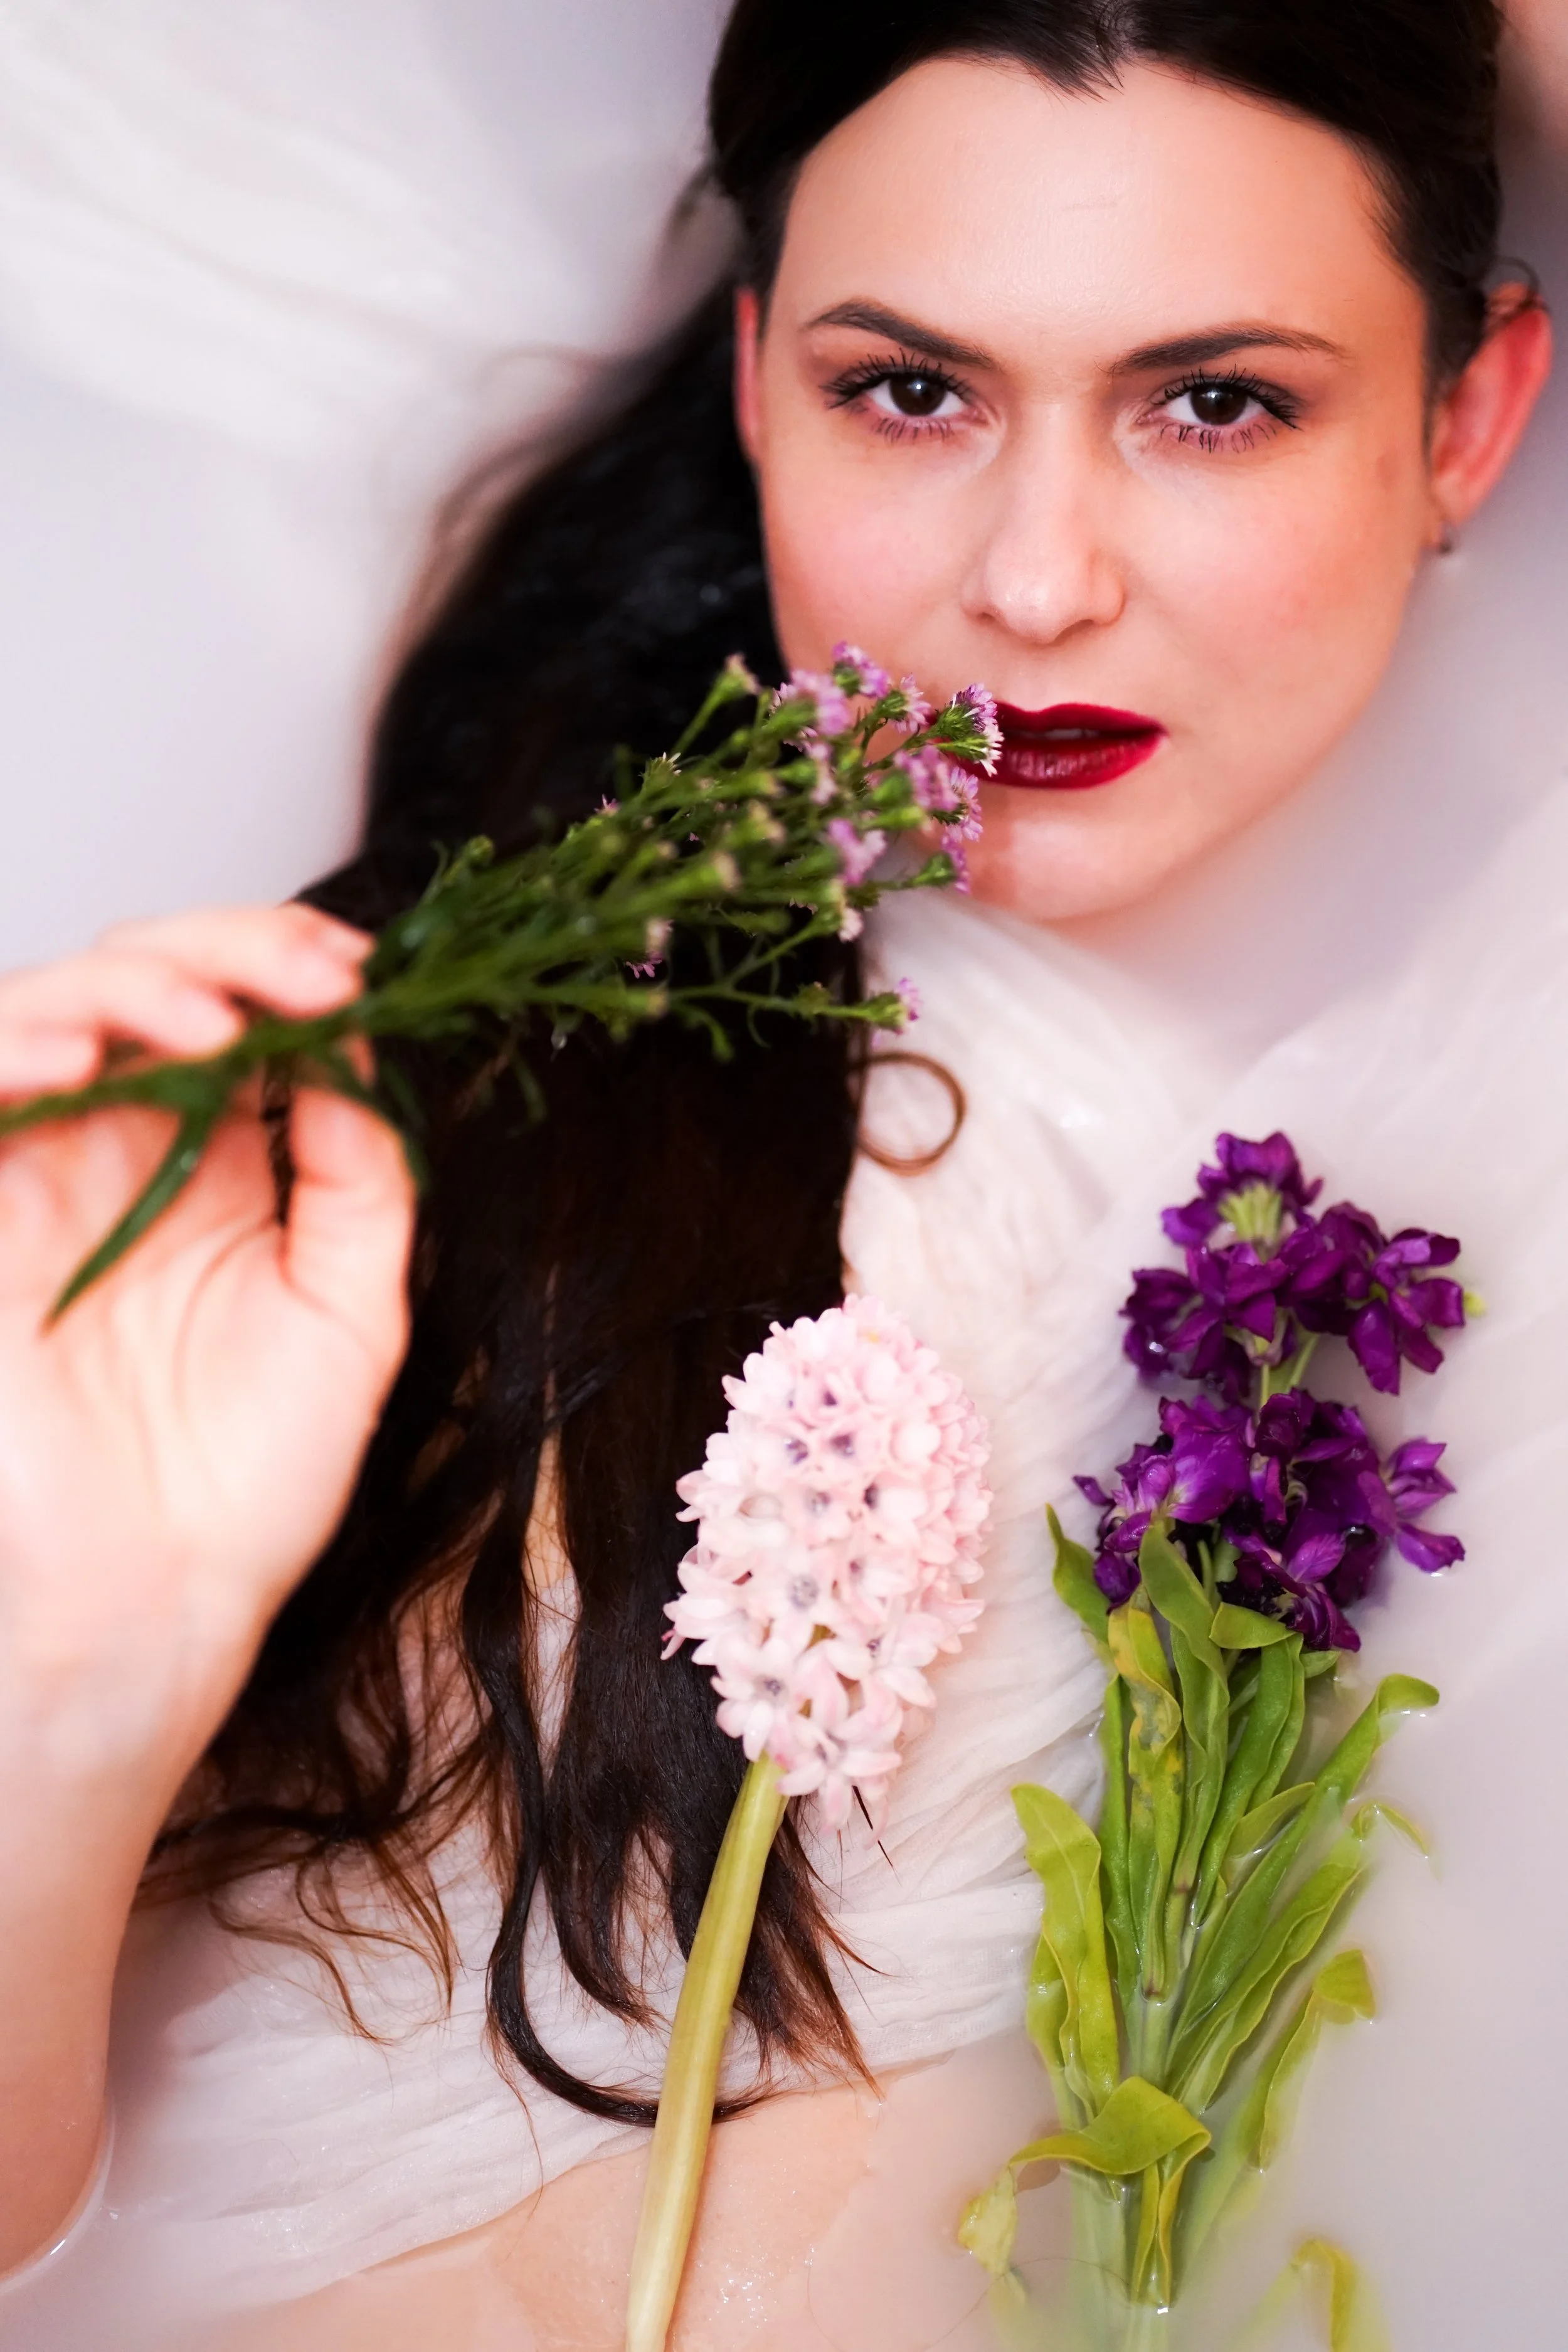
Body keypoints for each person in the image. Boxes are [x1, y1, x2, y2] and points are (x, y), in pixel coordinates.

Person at [0, 3, 1558, 2345]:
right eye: (906, 389)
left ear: (1467, 418)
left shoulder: (1500, 1084)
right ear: (752, 382)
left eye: (1216, 402)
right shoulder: (375, 1163)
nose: (1037, 581)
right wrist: (74, 1676)